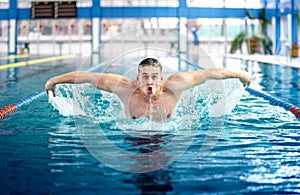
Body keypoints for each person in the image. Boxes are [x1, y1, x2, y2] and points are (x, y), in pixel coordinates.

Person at [45, 58, 251, 121]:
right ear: (137, 78)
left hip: (167, 140)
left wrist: (240, 75)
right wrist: (55, 80)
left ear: (161, 79)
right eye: (145, 77)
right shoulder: (125, 88)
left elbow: (208, 74)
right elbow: (87, 77)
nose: (149, 81)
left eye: (154, 77)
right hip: (133, 141)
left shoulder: (176, 84)